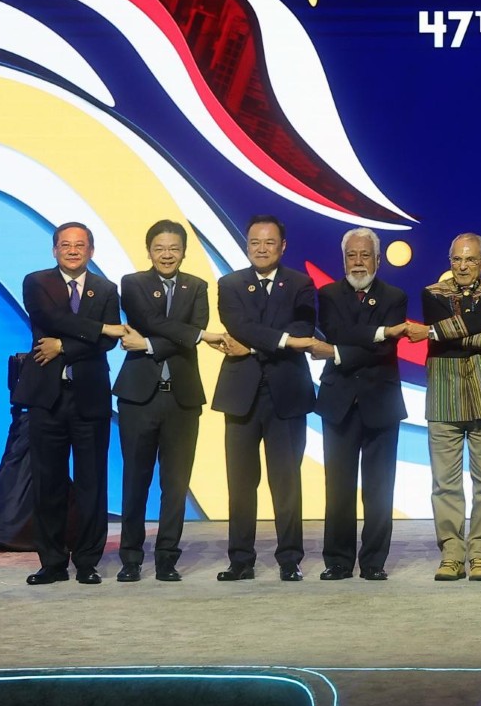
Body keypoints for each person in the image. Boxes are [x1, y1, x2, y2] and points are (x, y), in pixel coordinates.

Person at [15, 222, 124, 585]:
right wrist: (97, 329)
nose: (73, 250)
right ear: (54, 250)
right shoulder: (37, 282)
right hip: (47, 398)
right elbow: (48, 319)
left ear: (91, 251)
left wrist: (63, 346)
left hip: (90, 397)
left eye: (80, 245)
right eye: (66, 245)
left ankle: (89, 561)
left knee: (93, 482)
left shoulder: (106, 289)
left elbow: (108, 342)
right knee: (49, 483)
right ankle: (52, 562)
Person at [213, 214, 318, 583]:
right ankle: (240, 559)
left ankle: (290, 559)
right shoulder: (229, 284)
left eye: (269, 242)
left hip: (286, 395)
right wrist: (279, 341)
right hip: (240, 395)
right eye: (255, 242)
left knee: (286, 482)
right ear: (247, 245)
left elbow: (303, 329)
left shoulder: (302, 284)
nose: (261, 248)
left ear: (282, 246)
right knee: (240, 483)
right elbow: (237, 325)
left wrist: (254, 346)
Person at [115, 219, 219, 582]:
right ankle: (130, 559)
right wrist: (199, 335)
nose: (167, 254)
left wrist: (147, 344)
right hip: (138, 398)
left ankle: (166, 559)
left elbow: (178, 337)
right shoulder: (132, 284)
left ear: (184, 251)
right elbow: (149, 319)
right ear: (149, 251)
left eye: (174, 248)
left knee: (175, 484)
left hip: (183, 399)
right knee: (135, 480)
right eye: (159, 248)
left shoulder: (198, 286)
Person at [405, 233, 481, 582]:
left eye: (470, 260)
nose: (463, 266)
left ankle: (480, 554)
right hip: (443, 394)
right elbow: (480, 328)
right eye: (457, 260)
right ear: (449, 261)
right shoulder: (432, 293)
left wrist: (435, 333)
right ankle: (452, 553)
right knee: (445, 482)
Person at [313, 227, 409, 582]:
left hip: (381, 401)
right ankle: (337, 560)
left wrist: (336, 352)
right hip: (338, 401)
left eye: (365, 255)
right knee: (337, 486)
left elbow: (383, 350)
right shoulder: (327, 294)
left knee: (379, 487)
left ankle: (373, 562)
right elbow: (335, 331)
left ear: (378, 260)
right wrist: (380, 332)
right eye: (351, 255)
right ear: (343, 259)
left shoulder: (395, 296)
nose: (358, 262)